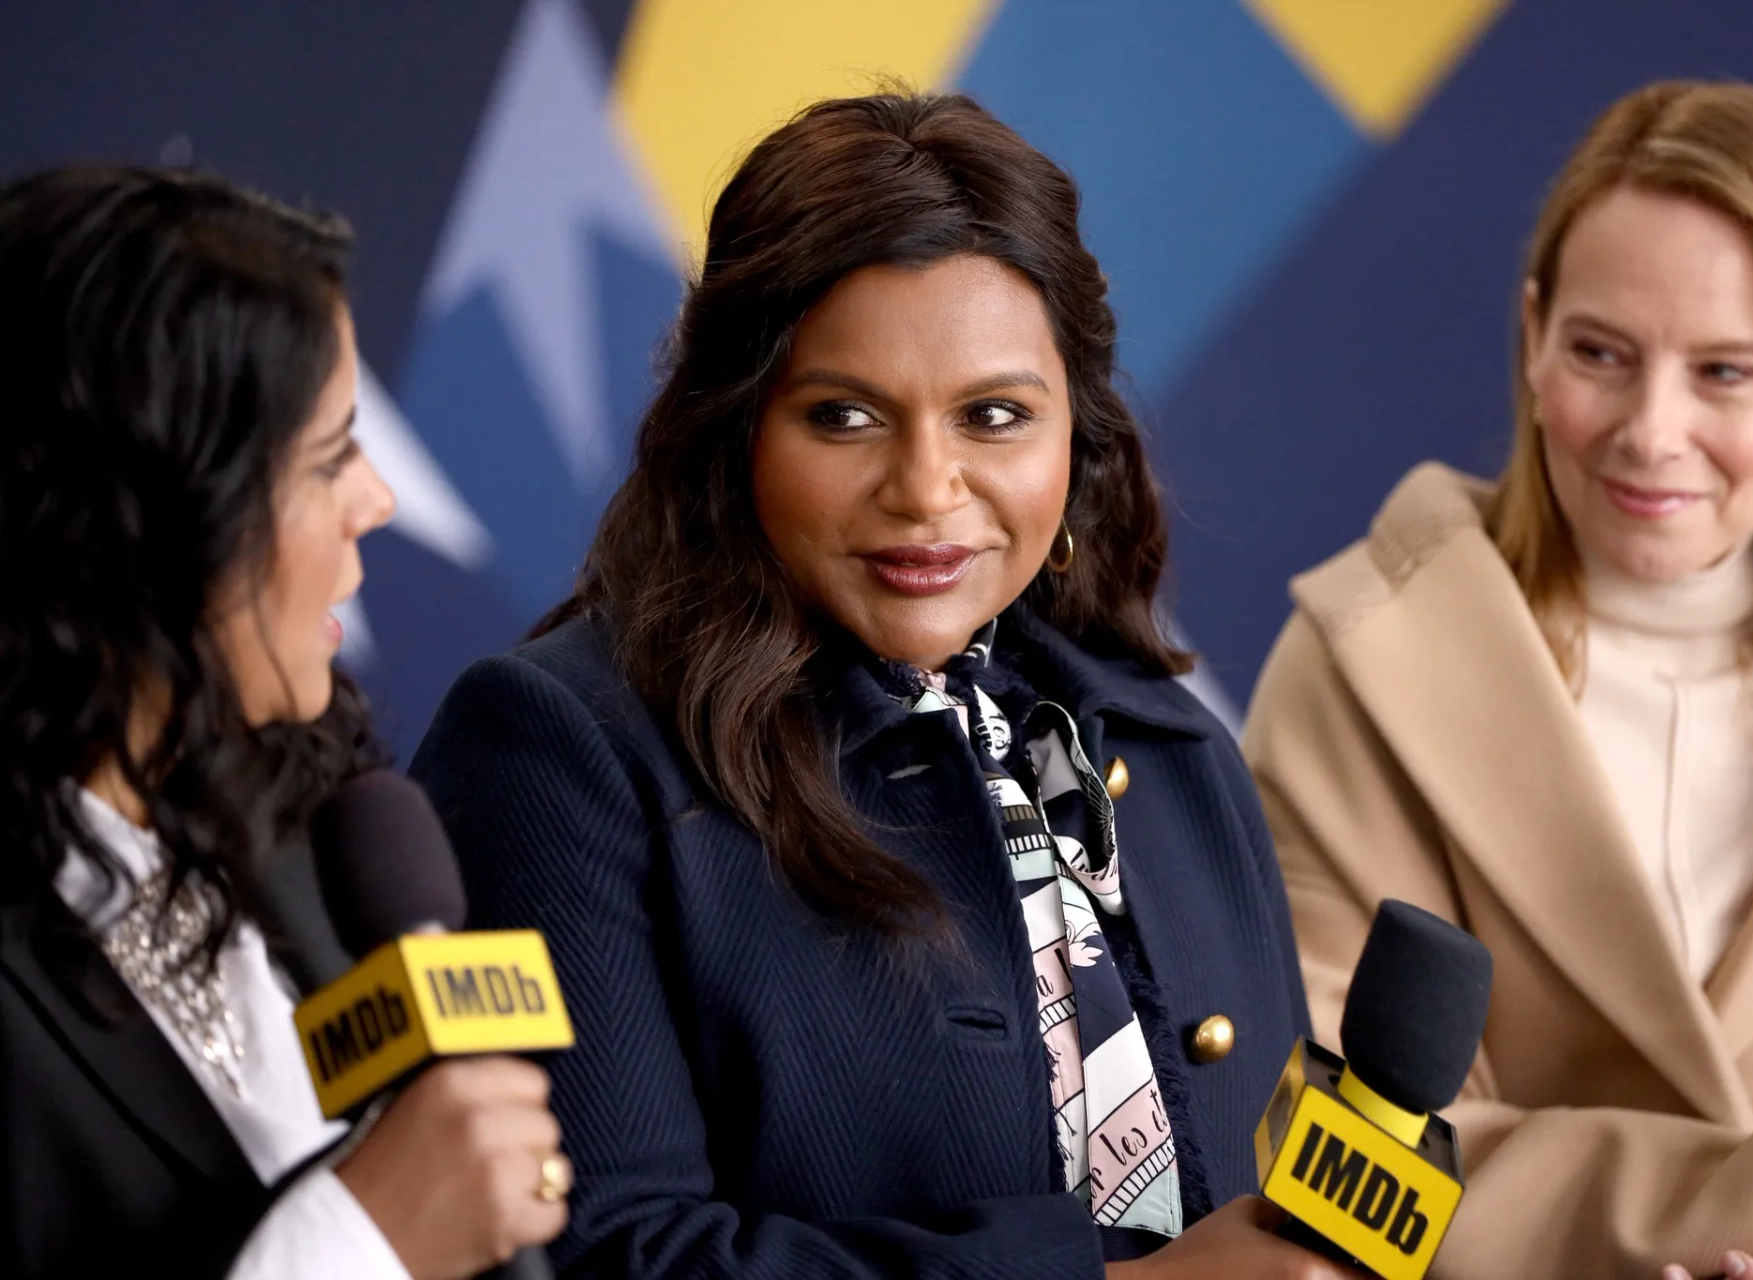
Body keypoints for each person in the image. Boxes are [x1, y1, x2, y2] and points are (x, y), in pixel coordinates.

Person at [409, 91, 1356, 1278]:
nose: (926, 486)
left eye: (995, 416)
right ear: (738, 427)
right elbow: (592, 1254)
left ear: (1080, 433)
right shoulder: (560, 751)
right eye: (845, 415)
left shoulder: (1169, 747)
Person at [1242, 80, 1753, 1279]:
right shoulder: (1357, 668)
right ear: (1533, 335)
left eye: (1726, 372)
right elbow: (1341, 1144)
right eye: (1602, 353)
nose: (1651, 431)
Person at [0, 166, 571, 1278]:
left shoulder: (310, 833)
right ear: (151, 526)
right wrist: (360, 1240)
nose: (379, 499)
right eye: (329, 457)